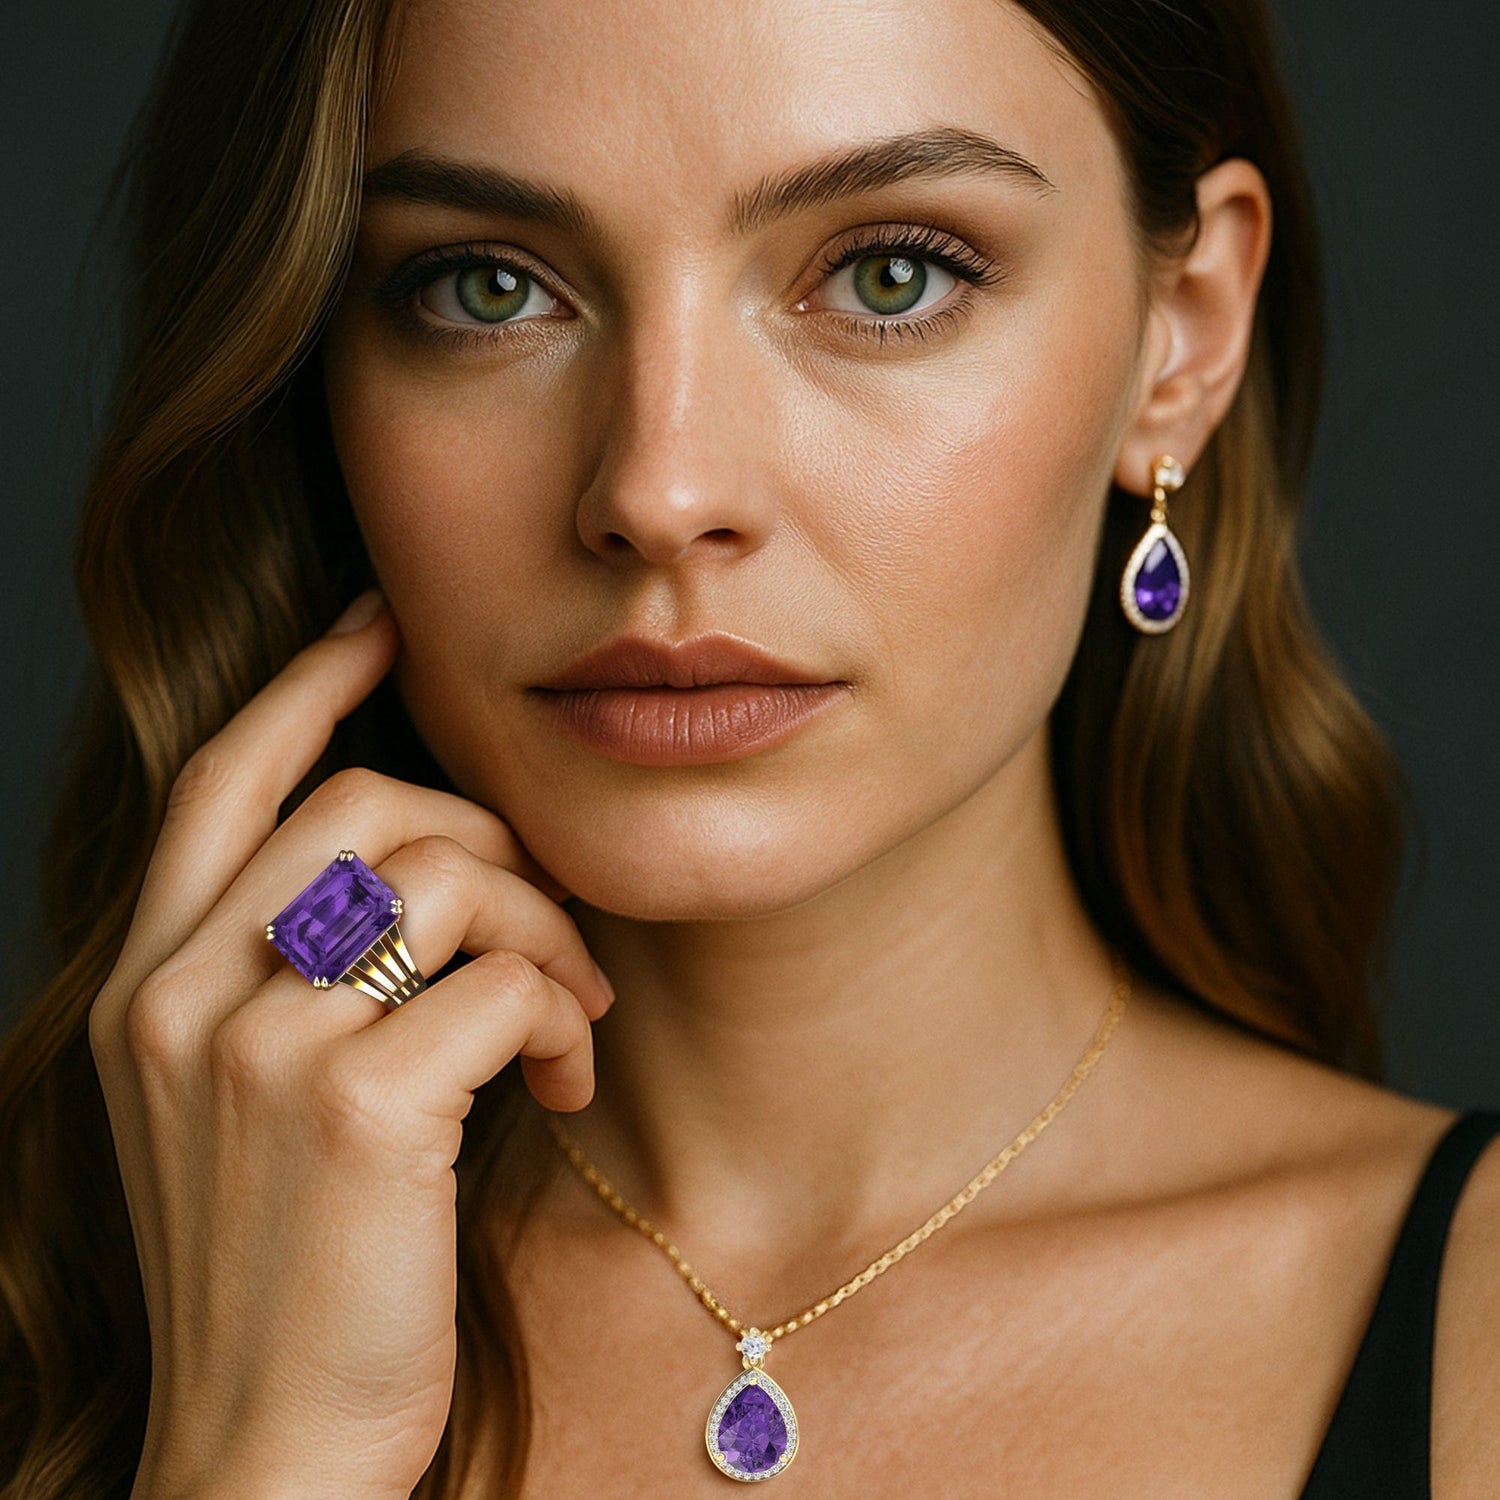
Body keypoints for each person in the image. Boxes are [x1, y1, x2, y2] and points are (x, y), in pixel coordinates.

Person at [1, 0, 1496, 1494]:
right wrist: (262, 1453)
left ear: (1185, 335)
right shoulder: (63, 1307)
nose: (659, 489)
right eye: (485, 287)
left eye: (887, 274)